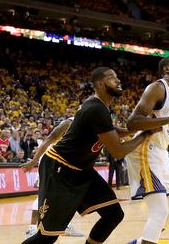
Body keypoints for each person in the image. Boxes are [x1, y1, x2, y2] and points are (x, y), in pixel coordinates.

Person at [22, 67, 151, 244]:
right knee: (47, 236)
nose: (118, 80)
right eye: (112, 78)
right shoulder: (96, 109)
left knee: (113, 214)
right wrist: (144, 135)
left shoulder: (101, 108)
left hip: (82, 170)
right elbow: (118, 151)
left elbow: (111, 132)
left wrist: (137, 128)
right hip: (60, 169)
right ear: (99, 83)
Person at [126, 56, 169, 244]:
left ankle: (142, 241)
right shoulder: (157, 88)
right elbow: (132, 122)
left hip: (161, 152)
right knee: (160, 211)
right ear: (166, 69)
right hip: (145, 149)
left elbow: (164, 120)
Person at [20, 117, 85, 238]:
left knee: (65, 195)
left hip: (63, 160)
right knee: (44, 194)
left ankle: (64, 226)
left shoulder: (86, 127)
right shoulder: (68, 123)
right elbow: (48, 141)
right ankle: (32, 229)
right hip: (50, 158)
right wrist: (33, 161)